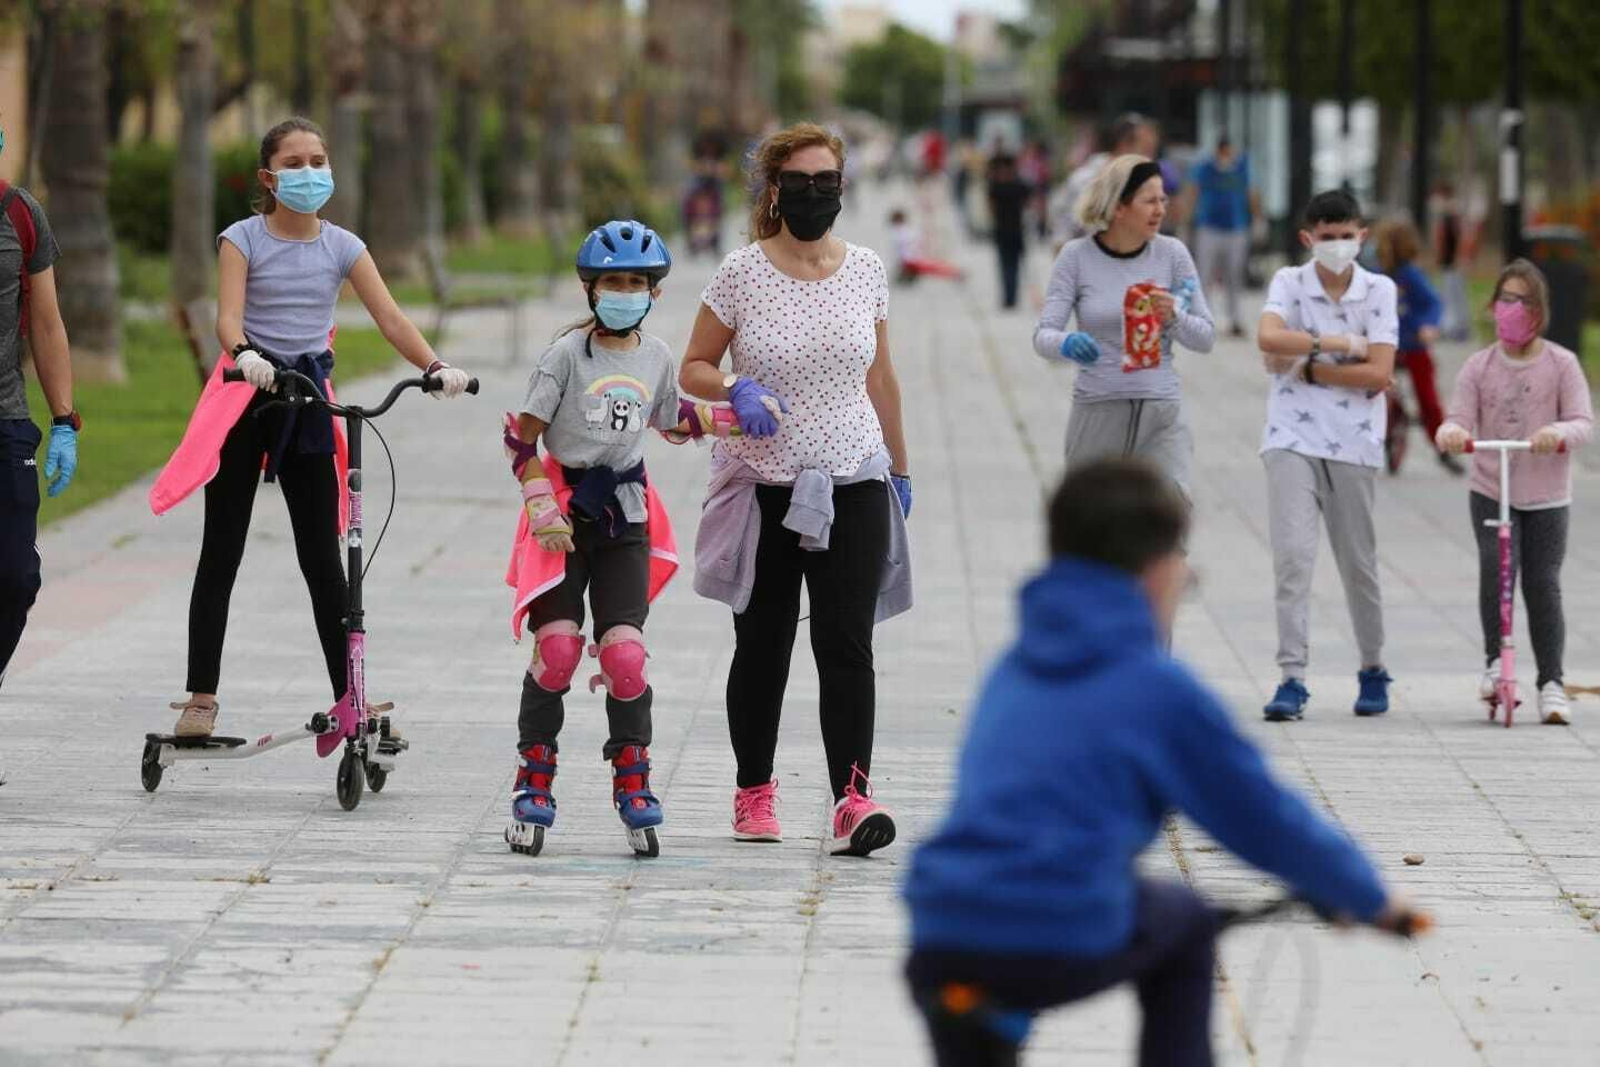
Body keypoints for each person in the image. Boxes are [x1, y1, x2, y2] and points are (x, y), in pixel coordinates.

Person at [903, 458, 1425, 1067]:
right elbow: (1262, 817)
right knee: (1183, 922)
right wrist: (1368, 897)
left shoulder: (1014, 667)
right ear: (1156, 572)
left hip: (944, 925)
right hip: (1055, 927)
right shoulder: (1156, 688)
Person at [150, 117, 474, 739]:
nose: (309, 172)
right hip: (248, 394)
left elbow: (391, 318)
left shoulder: (343, 246)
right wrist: (244, 353)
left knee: (325, 557)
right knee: (223, 548)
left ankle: (350, 695)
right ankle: (201, 697)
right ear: (269, 178)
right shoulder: (241, 239)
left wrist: (435, 366)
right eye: (294, 163)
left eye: (317, 160)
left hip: (307, 404)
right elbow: (227, 318)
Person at [681, 122, 913, 857]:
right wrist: (731, 384)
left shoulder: (867, 269)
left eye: (828, 182)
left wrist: (899, 470)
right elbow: (691, 366)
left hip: (854, 479)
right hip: (765, 485)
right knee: (764, 642)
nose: (816, 194)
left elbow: (880, 376)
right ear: (773, 190)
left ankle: (853, 797)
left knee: (848, 643)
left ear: (843, 189)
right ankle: (755, 790)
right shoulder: (742, 272)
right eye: (801, 182)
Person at [502, 220, 691, 857]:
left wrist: (738, 412)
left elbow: (673, 417)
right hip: (562, 520)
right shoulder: (565, 357)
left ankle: (633, 778)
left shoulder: (657, 355)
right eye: (614, 281)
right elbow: (520, 438)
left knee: (625, 658)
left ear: (653, 292)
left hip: (626, 517)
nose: (625, 291)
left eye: (637, 282)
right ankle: (534, 774)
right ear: (591, 288)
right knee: (556, 652)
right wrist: (538, 504)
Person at [1256, 189, 1397, 721]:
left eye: (1346, 236)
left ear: (1361, 235)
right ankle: (1292, 676)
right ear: (1307, 238)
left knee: (1357, 561)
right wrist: (1339, 343)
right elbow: (1267, 338)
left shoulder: (1379, 290)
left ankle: (1373, 665)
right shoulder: (1289, 282)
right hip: (1290, 435)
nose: (1337, 246)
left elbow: (1380, 373)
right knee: (1293, 558)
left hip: (1355, 442)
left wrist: (1309, 364)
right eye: (1326, 237)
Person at [1436, 259, 1593, 725]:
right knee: (1496, 569)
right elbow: (1459, 417)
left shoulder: (1561, 364)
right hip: (1492, 486)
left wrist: (1557, 432)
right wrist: (1450, 432)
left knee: (1542, 582)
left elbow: (1584, 422)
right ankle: (1493, 664)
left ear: (1539, 310)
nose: (1512, 309)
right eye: (1505, 299)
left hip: (1545, 493)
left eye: (1523, 300)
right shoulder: (1479, 366)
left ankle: (1551, 682)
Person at [1032, 155, 1214, 497]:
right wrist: (1067, 344)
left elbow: (1206, 337)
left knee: (1166, 528)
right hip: (1098, 410)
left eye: (1163, 199)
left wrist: (1174, 317)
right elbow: (1043, 336)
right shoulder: (1075, 257)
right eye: (1150, 201)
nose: (1161, 209)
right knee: (1093, 530)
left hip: (1162, 412)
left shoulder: (1173, 255)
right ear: (1118, 208)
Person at [0, 141, 76, 765]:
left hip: (6, 423)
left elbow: (47, 322)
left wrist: (64, 420)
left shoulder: (19, 212)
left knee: (17, 577)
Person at [1374, 218, 1459, 475]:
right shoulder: (1377, 276)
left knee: (1427, 396)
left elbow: (1432, 303)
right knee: (1377, 387)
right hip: (1388, 345)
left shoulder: (1410, 275)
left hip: (1411, 343)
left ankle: (1441, 444)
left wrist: (1428, 326)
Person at [1048, 113, 1156, 249]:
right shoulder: (1085, 180)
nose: (1150, 157)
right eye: (1146, 149)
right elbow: (1062, 235)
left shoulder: (1144, 184)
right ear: (1125, 144)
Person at [1190, 136, 1254, 337]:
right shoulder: (1205, 168)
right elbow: (1193, 191)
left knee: (1234, 276)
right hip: (1209, 227)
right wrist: (1187, 221)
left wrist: (1258, 219)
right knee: (1205, 274)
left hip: (1236, 228)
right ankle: (1204, 318)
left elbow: (1252, 192)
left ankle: (1235, 318)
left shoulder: (1241, 167)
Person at [985, 152, 1030, 310]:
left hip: (1011, 230)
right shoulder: (1016, 185)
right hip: (1008, 230)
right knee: (1006, 265)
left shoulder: (996, 185)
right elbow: (1027, 203)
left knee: (1012, 266)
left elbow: (990, 207)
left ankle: (1011, 297)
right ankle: (1008, 297)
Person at [1433, 181, 1471, 341]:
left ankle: (1459, 328)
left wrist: (1459, 257)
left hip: (1453, 264)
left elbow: (1461, 238)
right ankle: (1450, 326)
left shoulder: (1453, 216)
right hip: (1447, 264)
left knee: (1455, 295)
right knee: (1448, 294)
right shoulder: (1445, 216)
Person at [887, 208, 962, 284]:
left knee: (932, 266)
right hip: (909, 262)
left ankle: (954, 273)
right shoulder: (901, 232)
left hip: (909, 261)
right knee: (932, 267)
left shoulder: (897, 232)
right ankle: (954, 273)